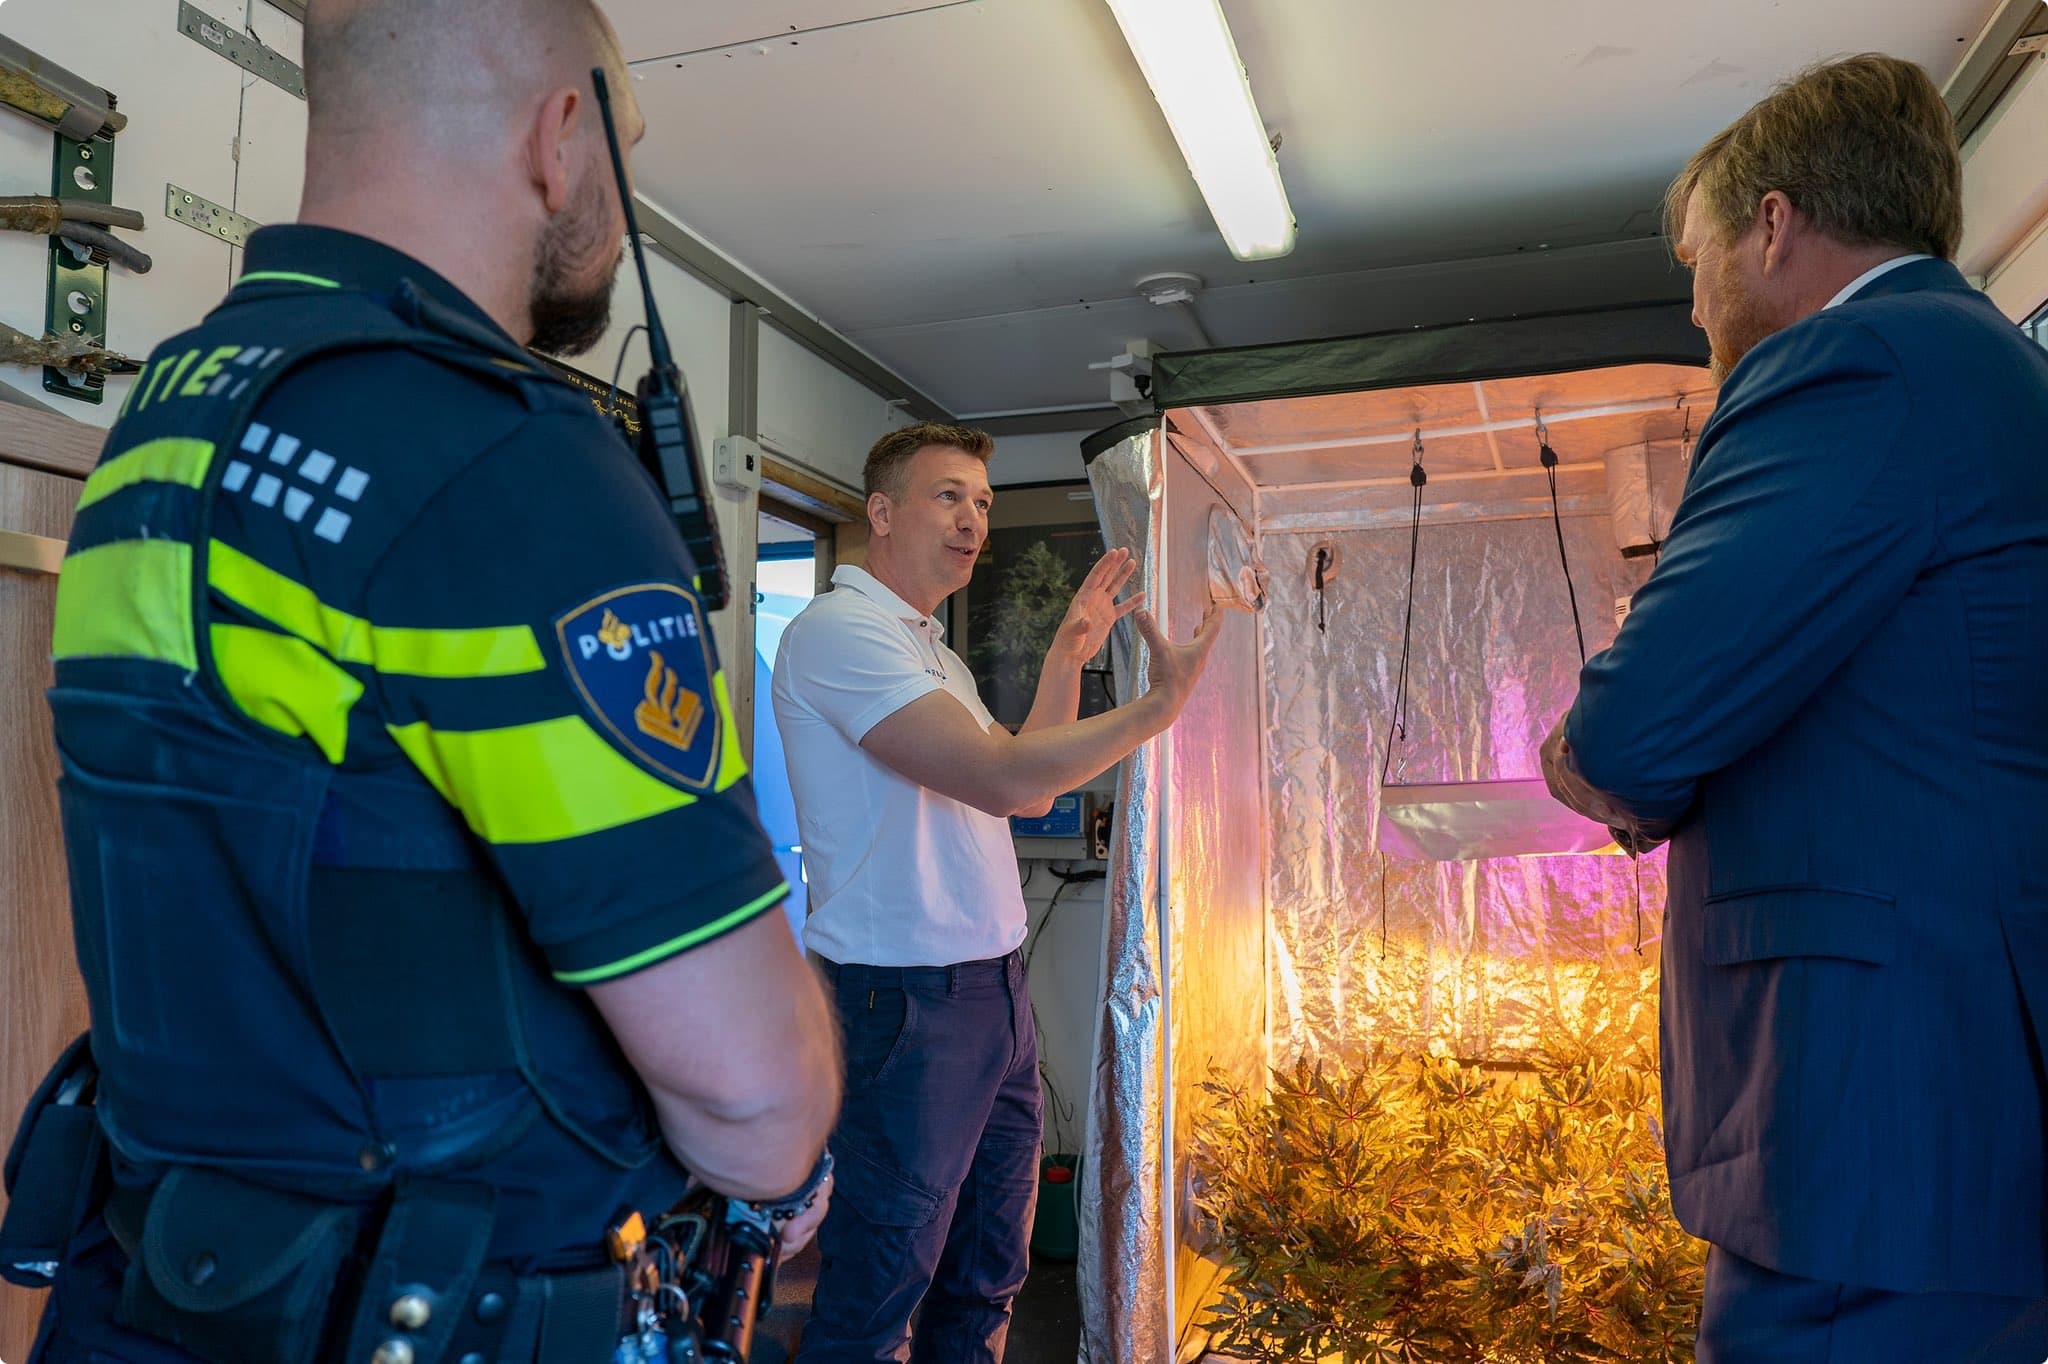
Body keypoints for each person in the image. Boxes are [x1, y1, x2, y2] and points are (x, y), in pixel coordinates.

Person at [12, 3, 840, 1361]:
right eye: (623, 142)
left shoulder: (161, 428)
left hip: (159, 1299)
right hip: (446, 1308)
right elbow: (754, 1100)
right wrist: (786, 1146)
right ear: (559, 137)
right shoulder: (505, 468)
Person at [1542, 53, 2048, 1364]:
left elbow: (1635, 726)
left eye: (1697, 257)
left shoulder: (1852, 365)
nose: (1699, 300)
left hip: (1870, 1112)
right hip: (1960, 1083)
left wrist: (1584, 752)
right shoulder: (1981, 366)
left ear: (1771, 225)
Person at [770, 424, 1218, 1361]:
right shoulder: (839, 633)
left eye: (982, 502)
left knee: (985, 1276)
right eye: (948, 497)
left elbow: (1033, 783)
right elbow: (1005, 779)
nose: (974, 519)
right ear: (881, 513)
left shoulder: (931, 647)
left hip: (991, 995)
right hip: (909, 1006)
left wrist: (1065, 659)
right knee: (877, 1292)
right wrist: (1155, 710)